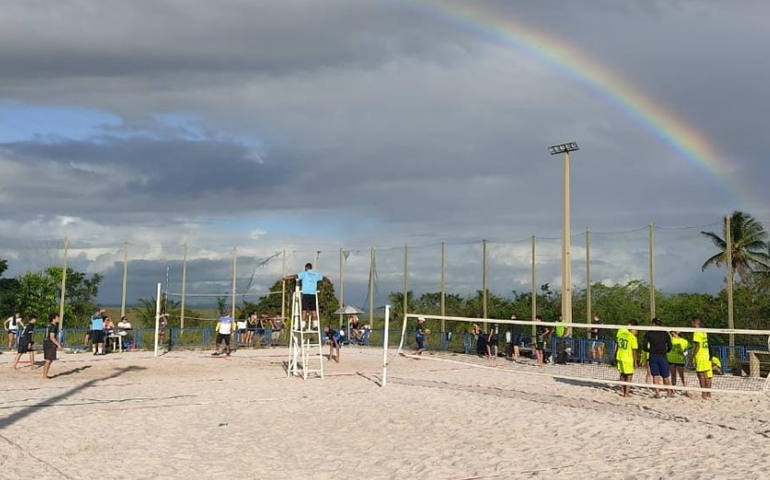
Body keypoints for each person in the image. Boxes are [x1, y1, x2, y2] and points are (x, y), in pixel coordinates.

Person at [283, 263, 331, 329]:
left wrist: (285, 278)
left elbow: (295, 276)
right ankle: (315, 325)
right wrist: (329, 282)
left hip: (306, 294)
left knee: (304, 310)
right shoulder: (315, 274)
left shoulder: (304, 274)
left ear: (306, 268)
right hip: (313, 295)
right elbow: (324, 277)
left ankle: (303, 326)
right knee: (314, 311)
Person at [641, 317, 673, 398]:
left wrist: (648, 350)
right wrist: (667, 350)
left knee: (655, 375)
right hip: (662, 355)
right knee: (665, 376)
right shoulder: (665, 333)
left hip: (653, 356)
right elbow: (670, 345)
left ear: (653, 324)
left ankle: (657, 393)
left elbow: (644, 345)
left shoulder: (649, 333)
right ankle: (669, 392)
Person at [615, 320, 639, 398]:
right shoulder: (632, 337)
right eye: (636, 329)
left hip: (619, 355)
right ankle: (626, 393)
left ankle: (623, 389)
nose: (637, 331)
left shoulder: (621, 331)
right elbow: (634, 351)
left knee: (622, 373)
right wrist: (635, 362)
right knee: (629, 375)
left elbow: (617, 343)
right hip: (628, 357)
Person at [691, 317, 712, 400]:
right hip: (706, 355)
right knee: (706, 375)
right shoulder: (704, 331)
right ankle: (708, 393)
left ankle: (704, 394)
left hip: (700, 356)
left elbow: (698, 346)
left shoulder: (697, 332)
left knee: (701, 375)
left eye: (692, 323)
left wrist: (692, 356)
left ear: (695, 323)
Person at [42, 313, 63, 379]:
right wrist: (58, 344)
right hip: (49, 343)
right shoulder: (53, 326)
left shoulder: (49, 325)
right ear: (54, 318)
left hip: (46, 342)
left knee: (49, 359)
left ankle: (45, 375)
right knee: (48, 360)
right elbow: (52, 337)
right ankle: (44, 375)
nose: (59, 319)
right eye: (58, 317)